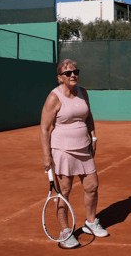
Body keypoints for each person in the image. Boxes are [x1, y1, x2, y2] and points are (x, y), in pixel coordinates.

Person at [40, 59, 108, 248]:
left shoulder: (82, 93)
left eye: (75, 71)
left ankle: (91, 223)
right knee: (64, 191)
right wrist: (47, 155)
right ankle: (65, 231)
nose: (73, 75)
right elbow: (44, 128)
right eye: (68, 73)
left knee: (92, 186)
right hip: (62, 150)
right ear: (59, 78)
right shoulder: (54, 97)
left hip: (84, 149)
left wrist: (93, 137)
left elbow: (89, 117)